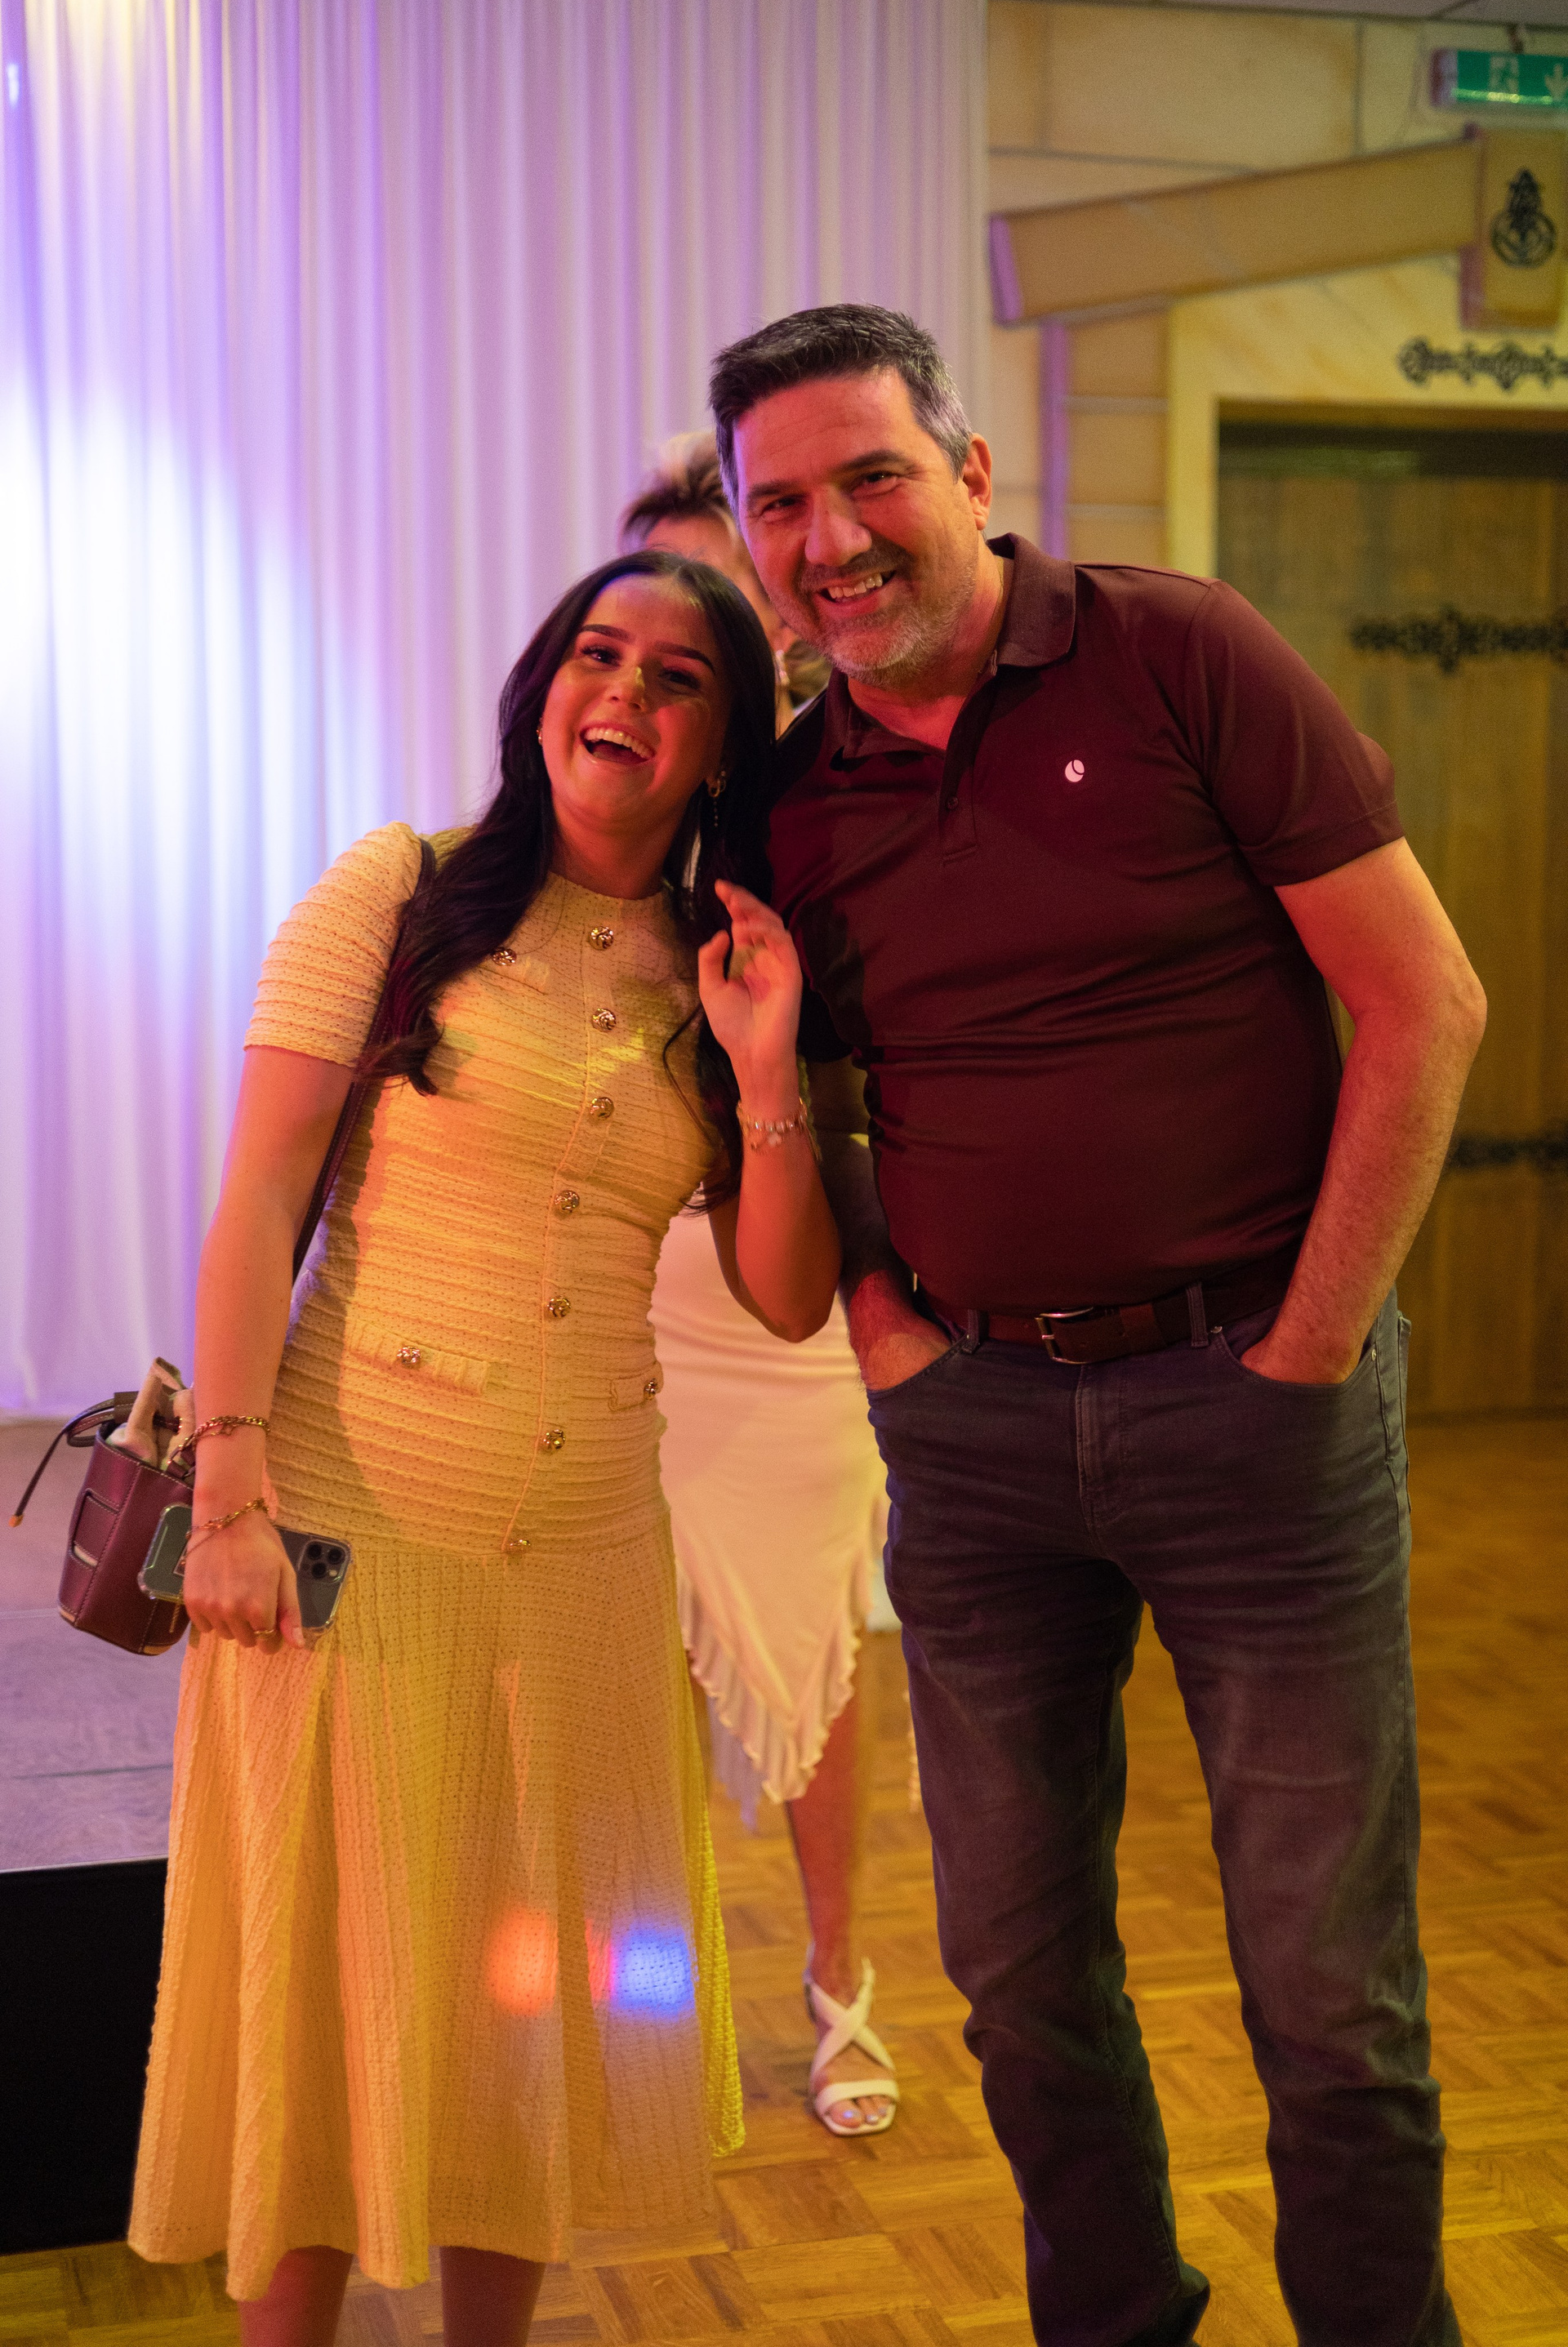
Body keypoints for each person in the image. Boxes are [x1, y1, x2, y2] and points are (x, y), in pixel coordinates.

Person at [708, 303, 1487, 2347]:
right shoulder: (785, 800)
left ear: (971, 474)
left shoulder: (1177, 655)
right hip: (975, 1442)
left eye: (871, 476)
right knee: (1020, 1981)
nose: (830, 538)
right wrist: (890, 1331)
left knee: (1329, 1996)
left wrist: (1312, 1347)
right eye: (780, 505)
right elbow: (804, 1105)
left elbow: (1426, 1004)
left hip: (1260, 1409)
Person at [127, 549, 840, 2347]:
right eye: (600, 655)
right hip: (345, 1517)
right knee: (320, 1966)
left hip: (590, 1553)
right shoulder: (402, 889)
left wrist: (768, 1073)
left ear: (724, 744)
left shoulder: (731, 969)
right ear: (543, 689)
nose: (628, 695)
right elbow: (258, 1195)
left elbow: (785, 1296)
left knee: (545, 1979)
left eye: (679, 678)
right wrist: (230, 1494)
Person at [619, 437, 896, 2135]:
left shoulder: (842, 806)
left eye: (724, 591)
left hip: (791, 1295)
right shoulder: (586, 805)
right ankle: (660, 2001)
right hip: (623, 1293)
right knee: (623, 1669)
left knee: (821, 1651)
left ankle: (841, 1981)